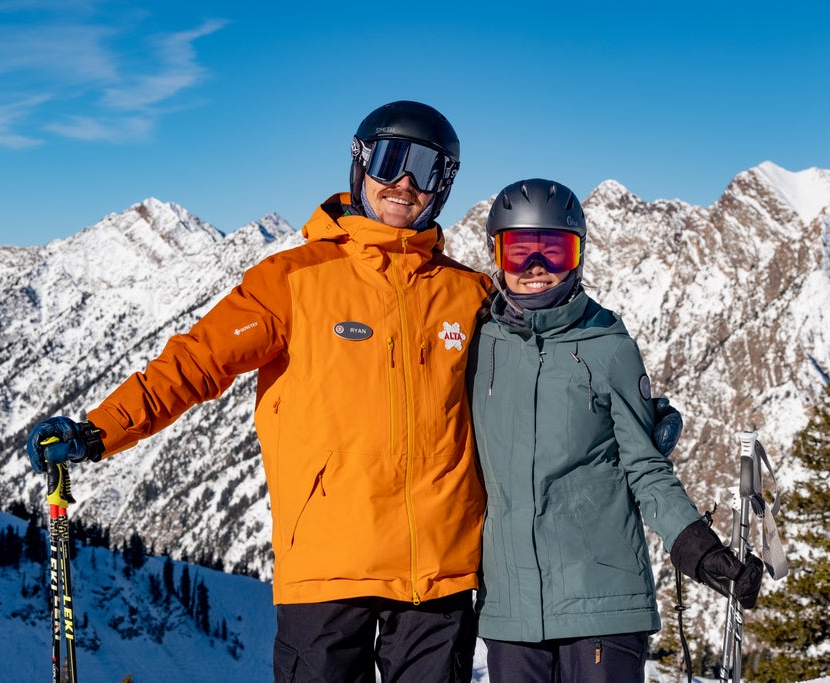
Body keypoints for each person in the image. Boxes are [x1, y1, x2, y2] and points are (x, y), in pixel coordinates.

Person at [25, 100, 493, 683]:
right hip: (329, 565)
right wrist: (99, 430)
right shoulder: (293, 280)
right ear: (360, 163)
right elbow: (197, 362)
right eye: (392, 159)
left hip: (442, 572)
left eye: (426, 169)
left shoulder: (471, 294)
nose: (404, 182)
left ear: (443, 186)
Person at [467, 178, 763, 682]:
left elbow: (645, 467)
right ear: (497, 255)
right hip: (511, 612)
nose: (536, 268)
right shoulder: (478, 344)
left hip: (604, 605)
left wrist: (696, 546)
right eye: (519, 253)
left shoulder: (609, 345)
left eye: (554, 251)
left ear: (577, 256)